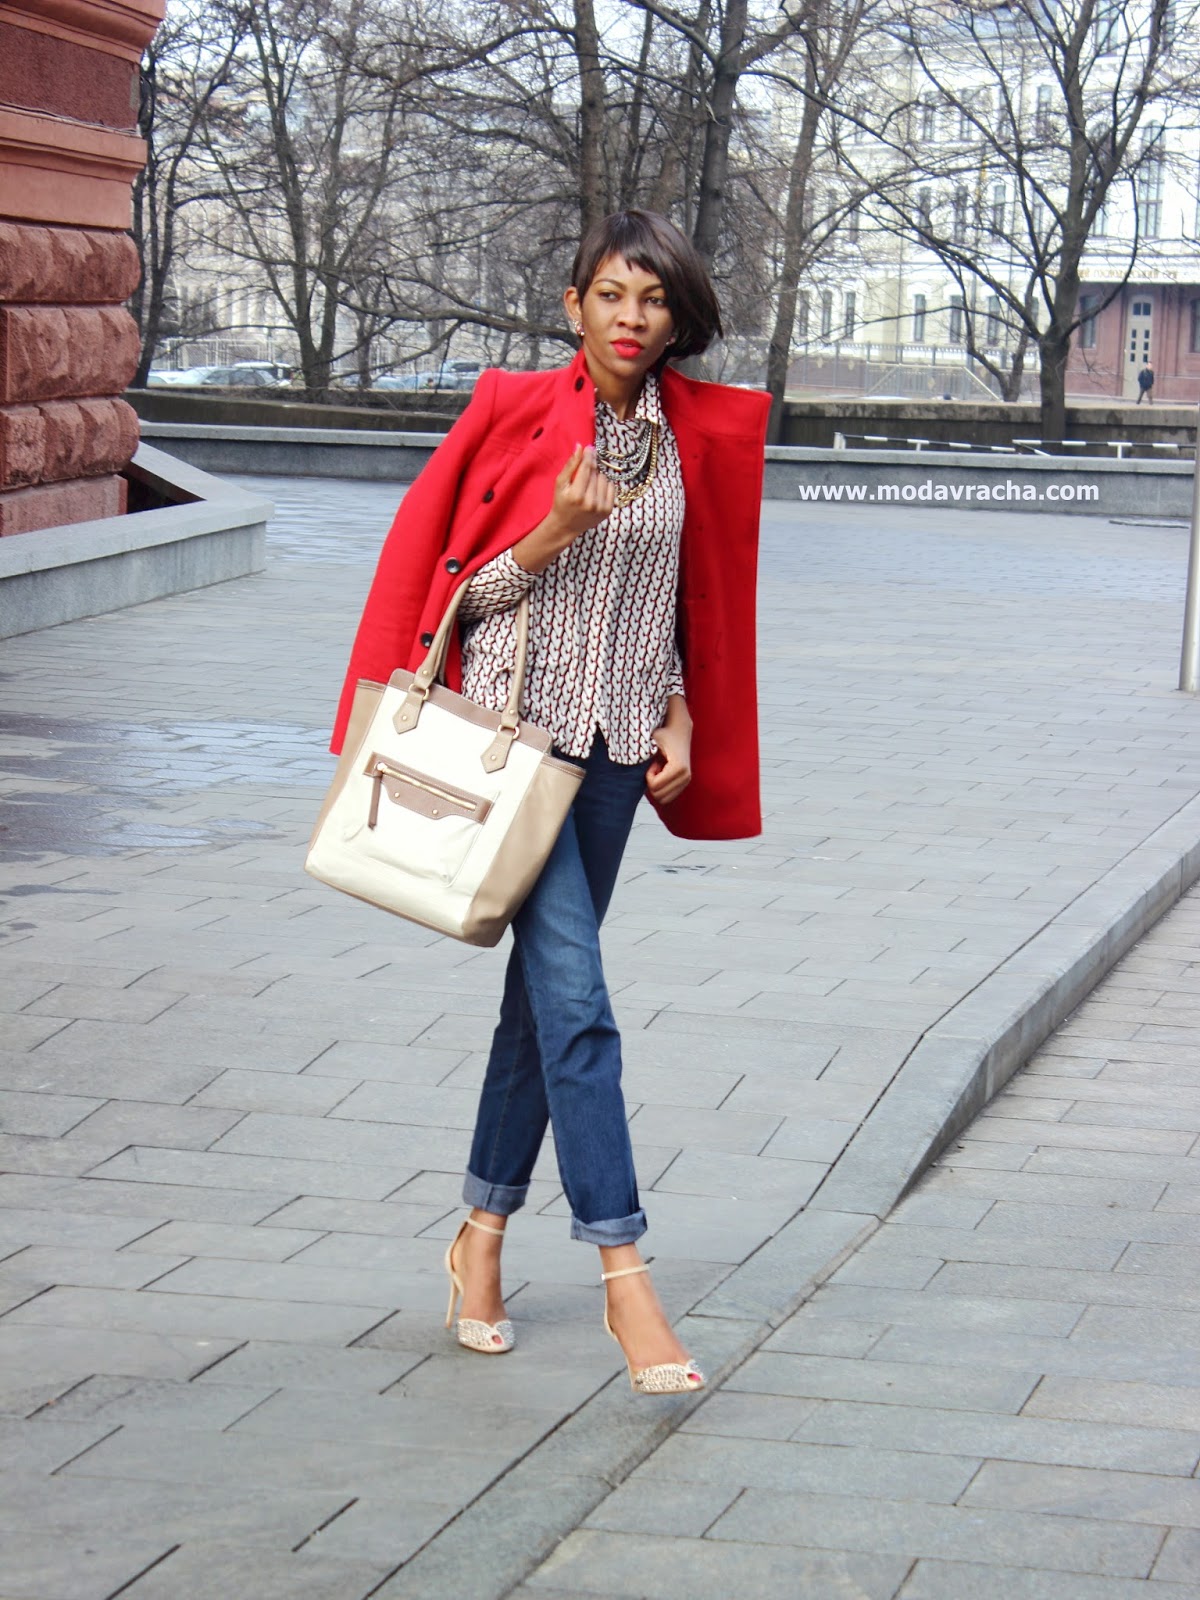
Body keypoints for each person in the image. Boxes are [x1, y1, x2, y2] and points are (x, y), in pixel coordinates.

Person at [331, 209, 769, 1395]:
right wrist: (551, 533)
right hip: (516, 752)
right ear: (573, 304)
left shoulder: (688, 439)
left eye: (655, 301)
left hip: (620, 756)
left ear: (677, 318)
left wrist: (677, 711)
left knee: (539, 1009)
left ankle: (478, 1236)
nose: (634, 319)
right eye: (613, 296)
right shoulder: (510, 409)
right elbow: (448, 597)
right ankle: (627, 1273)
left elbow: (678, 602)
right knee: (578, 1002)